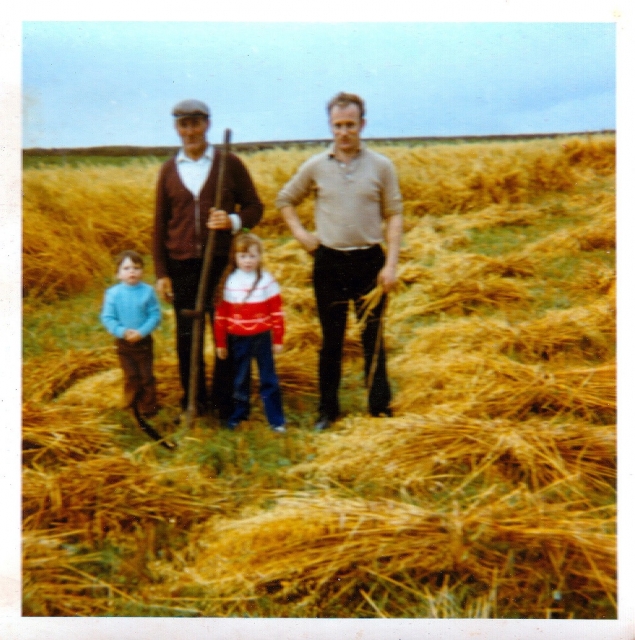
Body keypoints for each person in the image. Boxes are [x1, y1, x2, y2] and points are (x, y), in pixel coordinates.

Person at [276, 92, 403, 431]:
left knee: (372, 337)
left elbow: (394, 215)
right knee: (331, 340)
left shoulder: (381, 166)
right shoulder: (316, 166)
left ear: (362, 124)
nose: (344, 131)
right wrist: (302, 235)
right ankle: (327, 411)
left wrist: (389, 266)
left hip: (369, 262)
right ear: (330, 127)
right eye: (338, 125)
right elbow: (285, 199)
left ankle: (379, 409)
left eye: (350, 124)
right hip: (329, 261)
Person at [152, 99, 263, 420]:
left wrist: (232, 221)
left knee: (225, 333)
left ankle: (224, 402)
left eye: (196, 124)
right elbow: (160, 223)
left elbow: (255, 207)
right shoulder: (169, 170)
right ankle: (194, 401)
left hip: (222, 264)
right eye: (183, 125)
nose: (190, 131)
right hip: (182, 263)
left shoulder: (229, 165)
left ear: (207, 125)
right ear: (177, 128)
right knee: (187, 336)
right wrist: (162, 272)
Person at [213, 232, 286, 432]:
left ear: (260, 257)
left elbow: (277, 312)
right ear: (235, 258)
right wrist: (221, 342)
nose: (248, 261)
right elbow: (221, 316)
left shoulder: (267, 281)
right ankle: (239, 416)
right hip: (238, 338)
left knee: (268, 378)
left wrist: (278, 338)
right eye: (243, 256)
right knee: (240, 379)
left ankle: (276, 420)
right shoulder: (229, 282)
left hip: (262, 337)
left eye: (252, 256)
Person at [101, 250, 161, 417]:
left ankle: (149, 407)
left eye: (136, 268)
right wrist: (122, 331)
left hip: (143, 341)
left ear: (142, 271)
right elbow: (108, 317)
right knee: (131, 374)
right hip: (123, 342)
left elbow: (154, 315)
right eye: (126, 268)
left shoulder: (147, 292)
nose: (132, 272)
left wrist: (141, 332)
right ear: (118, 274)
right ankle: (131, 402)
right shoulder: (113, 294)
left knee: (146, 375)